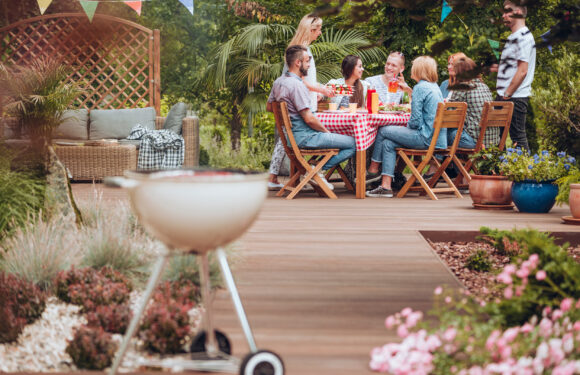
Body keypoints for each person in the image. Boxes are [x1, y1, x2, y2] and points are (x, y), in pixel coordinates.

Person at [266, 45, 356, 191]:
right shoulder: (297, 85)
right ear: (298, 63)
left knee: (342, 140)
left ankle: (315, 168)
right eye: (307, 61)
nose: (309, 65)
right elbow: (309, 119)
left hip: (291, 138)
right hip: (305, 137)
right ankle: (317, 170)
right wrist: (326, 132)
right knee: (354, 143)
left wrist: (288, 115)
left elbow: (270, 107)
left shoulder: (279, 82)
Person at [268, 14, 334, 189]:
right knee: (290, 138)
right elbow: (298, 80)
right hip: (298, 104)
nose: (320, 33)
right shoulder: (302, 52)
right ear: (310, 30)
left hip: (300, 100)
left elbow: (305, 81)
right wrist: (320, 90)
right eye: (318, 29)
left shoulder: (298, 49)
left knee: (285, 139)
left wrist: (317, 92)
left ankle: (295, 176)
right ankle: (310, 173)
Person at [365, 56, 445, 198]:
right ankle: (386, 186)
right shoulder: (434, 87)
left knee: (383, 130)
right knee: (388, 143)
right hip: (437, 140)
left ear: (419, 70)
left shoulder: (420, 87)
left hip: (425, 138)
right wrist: (409, 90)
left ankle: (373, 169)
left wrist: (404, 127)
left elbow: (414, 122)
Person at [491, 0, 536, 151]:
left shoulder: (523, 37)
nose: (503, 15)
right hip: (506, 94)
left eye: (507, 11)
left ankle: (525, 174)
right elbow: (514, 67)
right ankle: (497, 172)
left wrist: (507, 93)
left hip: (514, 96)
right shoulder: (513, 36)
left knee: (517, 137)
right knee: (496, 136)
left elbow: (522, 70)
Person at [448, 56, 497, 149]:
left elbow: (449, 113)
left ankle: (438, 162)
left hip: (474, 141)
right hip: (492, 140)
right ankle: (453, 163)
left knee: (440, 133)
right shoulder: (484, 86)